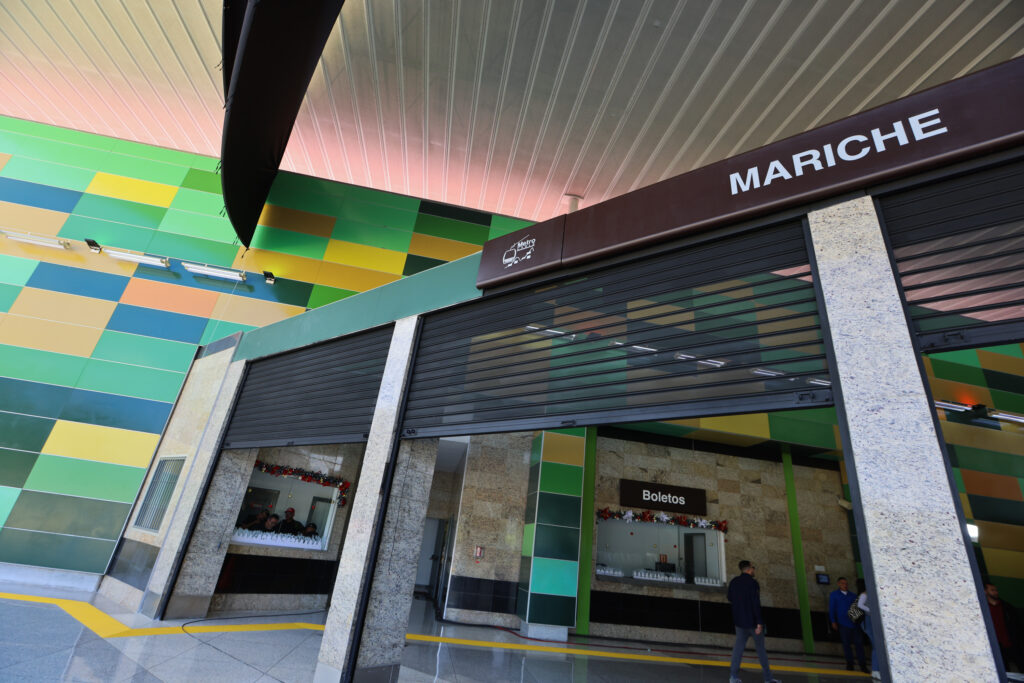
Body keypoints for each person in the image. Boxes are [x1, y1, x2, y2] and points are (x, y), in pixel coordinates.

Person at [727, 560, 780, 683]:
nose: (754, 569)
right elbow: (756, 603)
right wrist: (759, 622)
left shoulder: (734, 582)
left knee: (738, 650)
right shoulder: (753, 583)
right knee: (761, 650)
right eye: (753, 567)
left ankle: (733, 677)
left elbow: (729, 598)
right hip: (753, 623)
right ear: (749, 569)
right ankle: (768, 679)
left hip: (739, 622)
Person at [830, 576, 867, 672]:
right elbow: (832, 609)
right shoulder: (834, 595)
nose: (845, 585)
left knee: (859, 644)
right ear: (838, 584)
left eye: (846, 583)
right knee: (846, 644)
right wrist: (833, 621)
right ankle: (850, 664)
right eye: (842, 583)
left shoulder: (853, 595)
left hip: (855, 623)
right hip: (843, 623)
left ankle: (862, 665)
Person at [985, 582, 1024, 673]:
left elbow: (1017, 625)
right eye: (992, 590)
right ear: (985, 591)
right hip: (997, 647)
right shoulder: (983, 609)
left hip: (1012, 644)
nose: (996, 592)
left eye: (996, 590)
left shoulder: (1007, 607)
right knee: (1004, 671)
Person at [856, 578, 880, 679]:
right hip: (868, 621)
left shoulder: (869, 593)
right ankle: (875, 670)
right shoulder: (864, 594)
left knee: (877, 646)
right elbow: (860, 605)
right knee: (876, 646)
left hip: (870, 621)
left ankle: (876, 669)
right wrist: (871, 610)